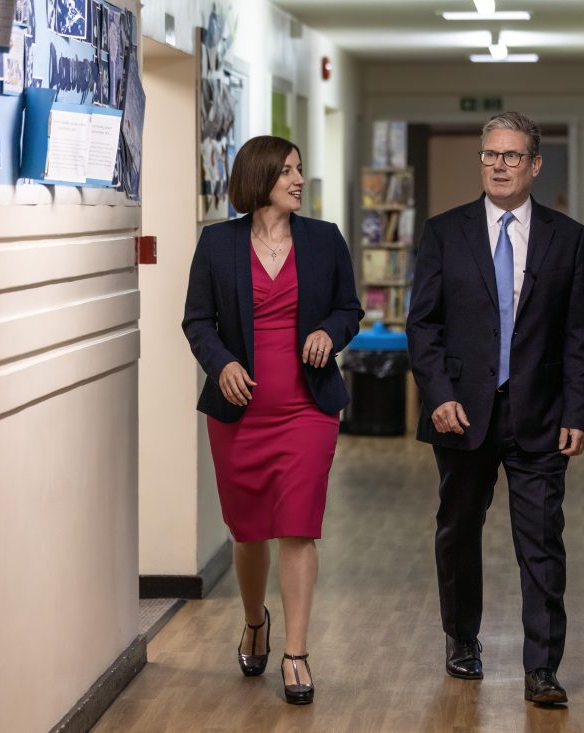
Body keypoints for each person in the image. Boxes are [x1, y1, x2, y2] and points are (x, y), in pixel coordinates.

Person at [406, 112, 584, 705]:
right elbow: (424, 325)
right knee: (459, 531)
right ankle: (461, 638)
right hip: (461, 414)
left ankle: (542, 669)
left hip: (538, 415)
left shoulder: (567, 238)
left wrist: (578, 412)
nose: (499, 164)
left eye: (512, 156)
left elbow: (579, 335)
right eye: (491, 154)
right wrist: (437, 396)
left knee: (541, 540)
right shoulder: (445, 232)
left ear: (534, 165)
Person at [181, 135, 362, 705]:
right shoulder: (217, 243)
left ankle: (297, 653)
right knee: (249, 528)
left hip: (307, 407)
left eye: (300, 170)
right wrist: (223, 362)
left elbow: (348, 309)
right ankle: (255, 620)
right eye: (288, 171)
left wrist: (328, 332)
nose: (299, 179)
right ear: (260, 178)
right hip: (240, 412)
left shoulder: (324, 240)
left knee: (299, 526)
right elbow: (197, 322)